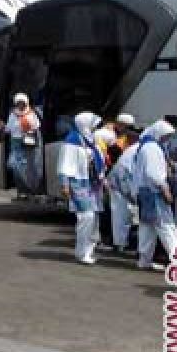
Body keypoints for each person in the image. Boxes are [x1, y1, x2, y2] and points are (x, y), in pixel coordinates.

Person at [58, 112, 106, 265]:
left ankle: (87, 250)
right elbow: (64, 165)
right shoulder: (72, 141)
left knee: (92, 217)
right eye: (92, 124)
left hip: (91, 183)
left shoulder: (89, 140)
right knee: (87, 216)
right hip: (78, 182)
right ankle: (82, 252)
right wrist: (65, 184)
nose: (95, 127)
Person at [133, 120, 177, 271]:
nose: (167, 139)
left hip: (145, 191)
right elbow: (153, 173)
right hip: (154, 191)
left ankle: (144, 260)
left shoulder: (146, 146)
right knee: (166, 226)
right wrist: (164, 188)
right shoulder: (152, 148)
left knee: (148, 227)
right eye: (166, 136)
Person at [107, 125, 141, 256]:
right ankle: (120, 244)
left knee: (124, 216)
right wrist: (128, 192)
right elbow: (122, 171)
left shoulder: (135, 149)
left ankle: (121, 243)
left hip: (124, 186)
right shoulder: (134, 150)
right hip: (120, 186)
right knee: (121, 216)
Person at [5, 93, 41, 197]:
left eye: (22, 103)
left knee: (26, 166)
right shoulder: (12, 114)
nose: (20, 105)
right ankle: (23, 188)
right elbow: (8, 129)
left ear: (26, 103)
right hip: (15, 141)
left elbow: (37, 127)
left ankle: (27, 189)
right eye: (18, 103)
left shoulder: (31, 113)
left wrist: (27, 126)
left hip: (27, 142)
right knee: (13, 165)